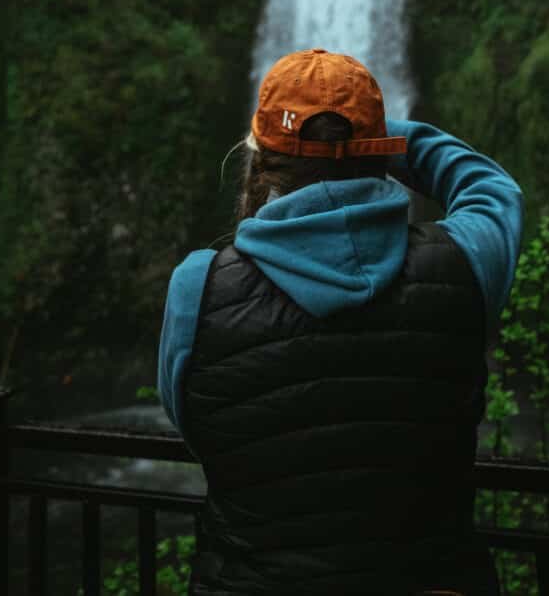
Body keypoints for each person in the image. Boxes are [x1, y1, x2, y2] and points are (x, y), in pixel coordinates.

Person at [158, 47, 524, 596]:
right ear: (381, 153)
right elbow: (494, 189)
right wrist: (374, 135)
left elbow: (198, 426)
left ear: (259, 161)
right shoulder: (464, 262)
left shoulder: (199, 288)